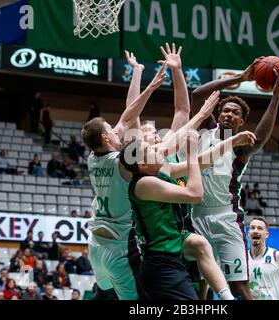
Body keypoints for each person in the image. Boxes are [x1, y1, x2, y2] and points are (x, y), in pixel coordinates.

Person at [189, 56, 279, 299]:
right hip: (195, 214)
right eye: (225, 110)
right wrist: (240, 78)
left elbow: (261, 137)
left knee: (238, 287)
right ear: (218, 113)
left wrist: (276, 96)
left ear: (242, 121)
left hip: (226, 217)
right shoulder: (206, 130)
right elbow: (196, 96)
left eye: (235, 113)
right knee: (200, 284)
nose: (228, 115)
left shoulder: (242, 146)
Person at [121, 130, 252, 300]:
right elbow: (195, 194)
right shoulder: (145, 184)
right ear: (142, 163)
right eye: (151, 150)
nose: (157, 149)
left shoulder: (160, 171)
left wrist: (233, 141)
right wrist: (191, 153)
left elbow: (201, 161)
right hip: (160, 264)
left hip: (174, 247)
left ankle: (227, 297)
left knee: (199, 244)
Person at [81, 57, 166, 300]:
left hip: (96, 246)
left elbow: (128, 115)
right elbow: (130, 118)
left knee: (104, 295)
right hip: (119, 247)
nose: (115, 128)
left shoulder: (92, 156)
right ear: (106, 138)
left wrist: (138, 72)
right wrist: (150, 88)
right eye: (111, 128)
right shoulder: (122, 160)